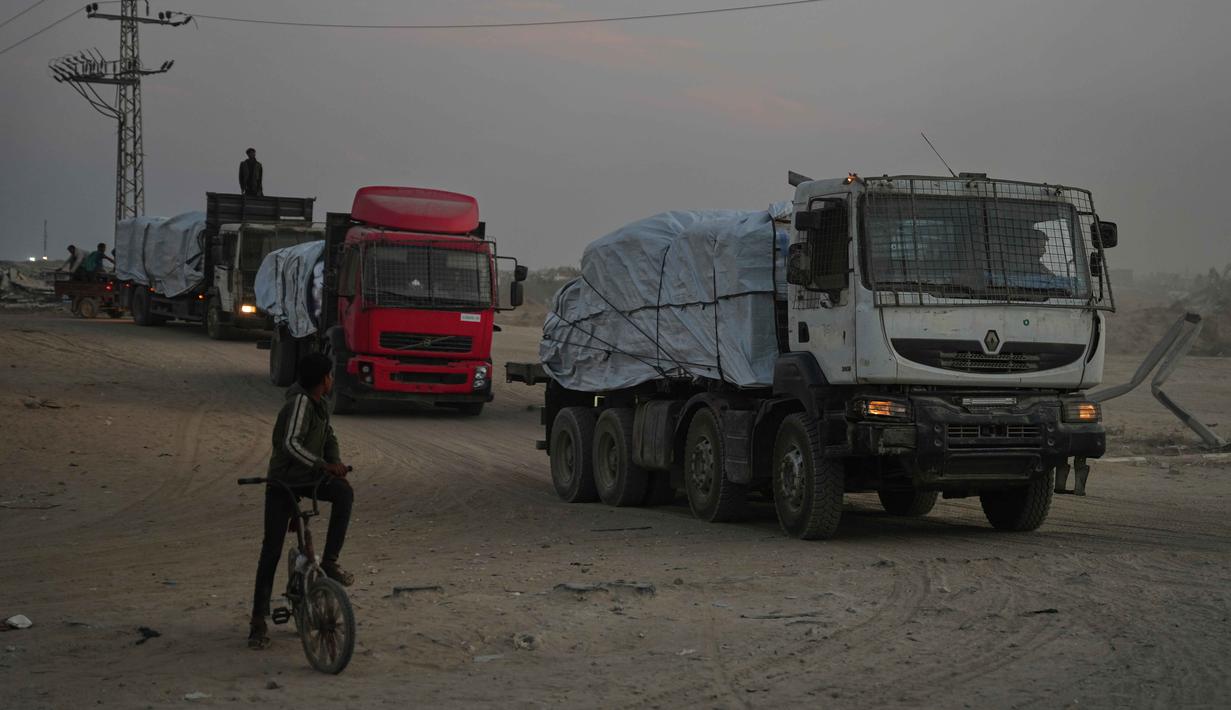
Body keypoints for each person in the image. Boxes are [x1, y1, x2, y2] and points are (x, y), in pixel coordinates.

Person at [249, 352, 353, 650]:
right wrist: (322, 465)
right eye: (330, 376)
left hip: (307, 479)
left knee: (344, 493)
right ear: (322, 380)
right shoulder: (300, 403)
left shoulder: (321, 406)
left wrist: (336, 465)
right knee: (271, 550)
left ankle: (330, 561)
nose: (332, 380)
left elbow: (329, 437)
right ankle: (258, 620)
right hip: (284, 482)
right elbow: (291, 443)